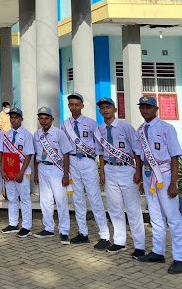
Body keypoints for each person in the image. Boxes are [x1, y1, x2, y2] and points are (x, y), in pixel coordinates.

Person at [133, 95, 182, 274]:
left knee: (173, 218)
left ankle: (180, 257)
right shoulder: (140, 130)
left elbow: (175, 155)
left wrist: (174, 183)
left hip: (165, 175)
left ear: (156, 109)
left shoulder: (166, 128)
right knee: (155, 216)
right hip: (148, 176)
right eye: (142, 107)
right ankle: (158, 251)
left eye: (148, 107)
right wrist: (139, 176)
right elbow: (138, 155)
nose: (144, 110)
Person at [94, 98, 145, 258]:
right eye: (102, 108)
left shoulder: (125, 126)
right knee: (114, 208)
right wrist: (102, 172)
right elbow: (101, 153)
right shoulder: (100, 129)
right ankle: (119, 241)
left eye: (108, 107)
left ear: (114, 109)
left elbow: (137, 150)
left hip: (127, 170)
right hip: (110, 169)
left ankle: (140, 246)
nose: (105, 110)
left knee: (133, 209)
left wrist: (138, 171)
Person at [61, 93, 110, 249]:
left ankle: (104, 235)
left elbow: (100, 148)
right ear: (68, 106)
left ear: (82, 106)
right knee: (77, 199)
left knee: (95, 198)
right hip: (73, 161)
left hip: (88, 161)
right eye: (71, 104)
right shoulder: (65, 125)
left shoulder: (91, 123)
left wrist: (101, 170)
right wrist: (66, 171)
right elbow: (65, 150)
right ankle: (83, 233)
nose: (74, 107)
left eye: (77, 104)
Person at [33, 106, 73, 244]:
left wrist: (66, 174)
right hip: (42, 167)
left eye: (46, 118)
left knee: (61, 200)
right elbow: (35, 155)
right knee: (45, 201)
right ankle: (48, 228)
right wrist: (36, 173)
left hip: (56, 169)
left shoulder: (59, 133)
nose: (43, 121)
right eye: (41, 118)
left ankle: (64, 230)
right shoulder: (37, 134)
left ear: (52, 119)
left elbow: (66, 154)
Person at [0, 107, 34, 238]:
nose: (13, 120)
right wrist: (2, 170)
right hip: (8, 170)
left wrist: (21, 172)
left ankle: (26, 226)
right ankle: (13, 223)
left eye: (16, 117)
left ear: (21, 119)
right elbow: (3, 154)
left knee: (24, 198)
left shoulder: (26, 135)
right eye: (11, 118)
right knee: (12, 198)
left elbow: (28, 155)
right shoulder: (6, 135)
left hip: (21, 170)